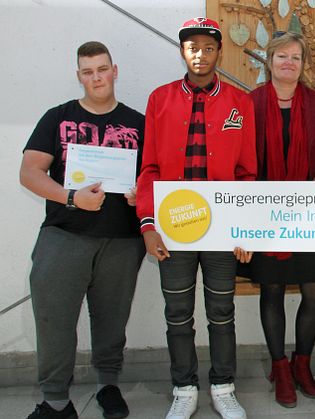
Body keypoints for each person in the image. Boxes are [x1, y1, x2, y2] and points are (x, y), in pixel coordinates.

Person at [136, 18, 257, 419]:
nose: (200, 55)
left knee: (222, 313)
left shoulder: (240, 103)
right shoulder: (160, 99)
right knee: (178, 315)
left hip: (222, 229)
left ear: (219, 51)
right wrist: (148, 225)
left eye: (208, 47)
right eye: (192, 48)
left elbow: (247, 175)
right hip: (175, 228)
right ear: (182, 52)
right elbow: (150, 167)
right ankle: (184, 387)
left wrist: (243, 228)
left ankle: (223, 386)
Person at [20, 41, 145, 419]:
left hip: (122, 240)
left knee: (112, 318)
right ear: (79, 76)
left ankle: (108, 386)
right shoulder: (57, 118)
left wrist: (142, 194)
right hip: (65, 234)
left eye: (102, 69)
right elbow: (29, 172)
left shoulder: (139, 123)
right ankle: (56, 400)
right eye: (88, 71)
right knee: (54, 318)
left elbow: (154, 176)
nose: (96, 77)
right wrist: (71, 197)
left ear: (114, 71)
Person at [235, 32, 315, 408]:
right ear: (269, 61)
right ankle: (279, 366)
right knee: (273, 289)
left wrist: (312, 189)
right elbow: (238, 161)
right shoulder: (249, 103)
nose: (289, 63)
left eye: (296, 57)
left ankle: (302, 363)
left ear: (303, 64)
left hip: (310, 212)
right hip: (264, 213)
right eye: (282, 56)